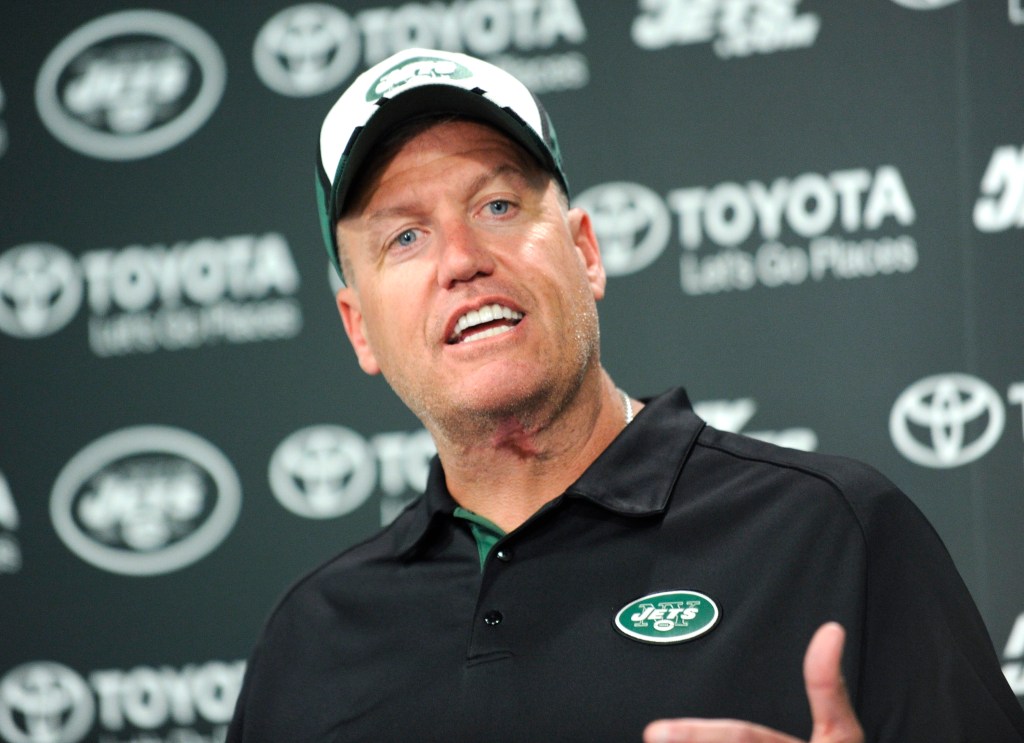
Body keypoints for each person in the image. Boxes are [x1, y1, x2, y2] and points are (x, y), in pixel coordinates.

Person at [227, 48, 1024, 742]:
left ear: (586, 252)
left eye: (497, 205)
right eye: (405, 235)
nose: (462, 258)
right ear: (358, 326)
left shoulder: (834, 530)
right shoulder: (310, 642)